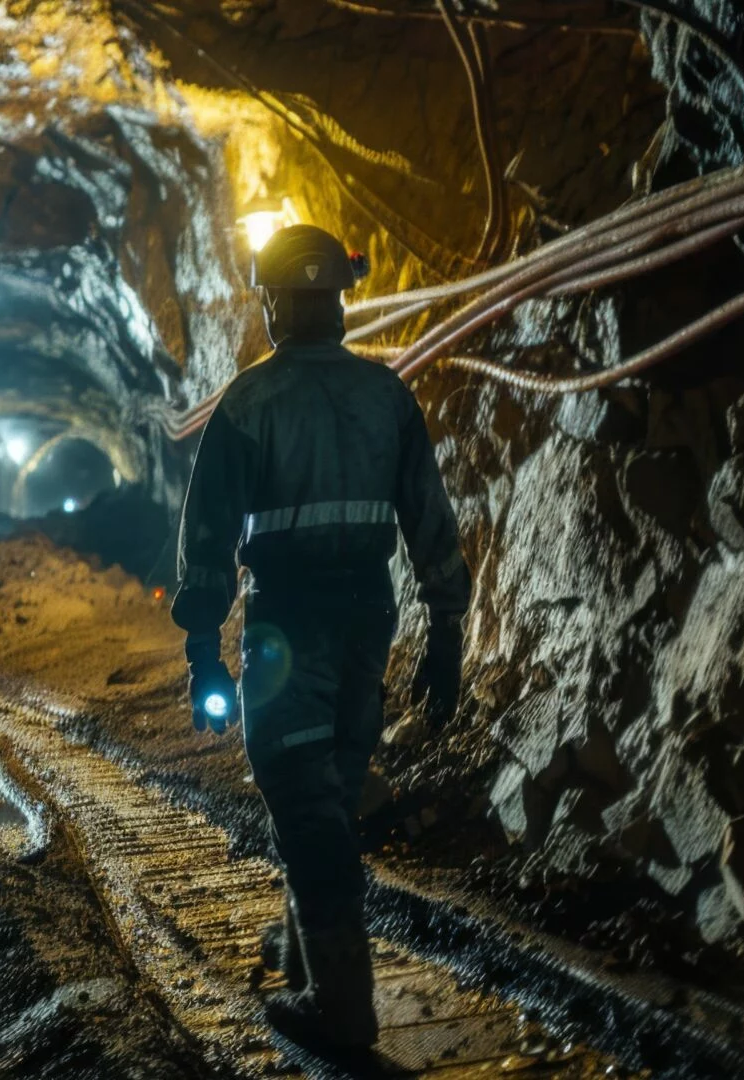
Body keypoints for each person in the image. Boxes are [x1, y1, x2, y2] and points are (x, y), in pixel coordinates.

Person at [171, 223, 471, 1051]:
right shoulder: (389, 397)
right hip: (368, 621)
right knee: (330, 796)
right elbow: (432, 527)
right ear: (341, 299)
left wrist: (202, 645)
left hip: (287, 630)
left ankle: (341, 1007)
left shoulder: (248, 405)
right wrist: (447, 631)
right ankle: (307, 956)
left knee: (304, 804)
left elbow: (207, 542)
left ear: (272, 303)